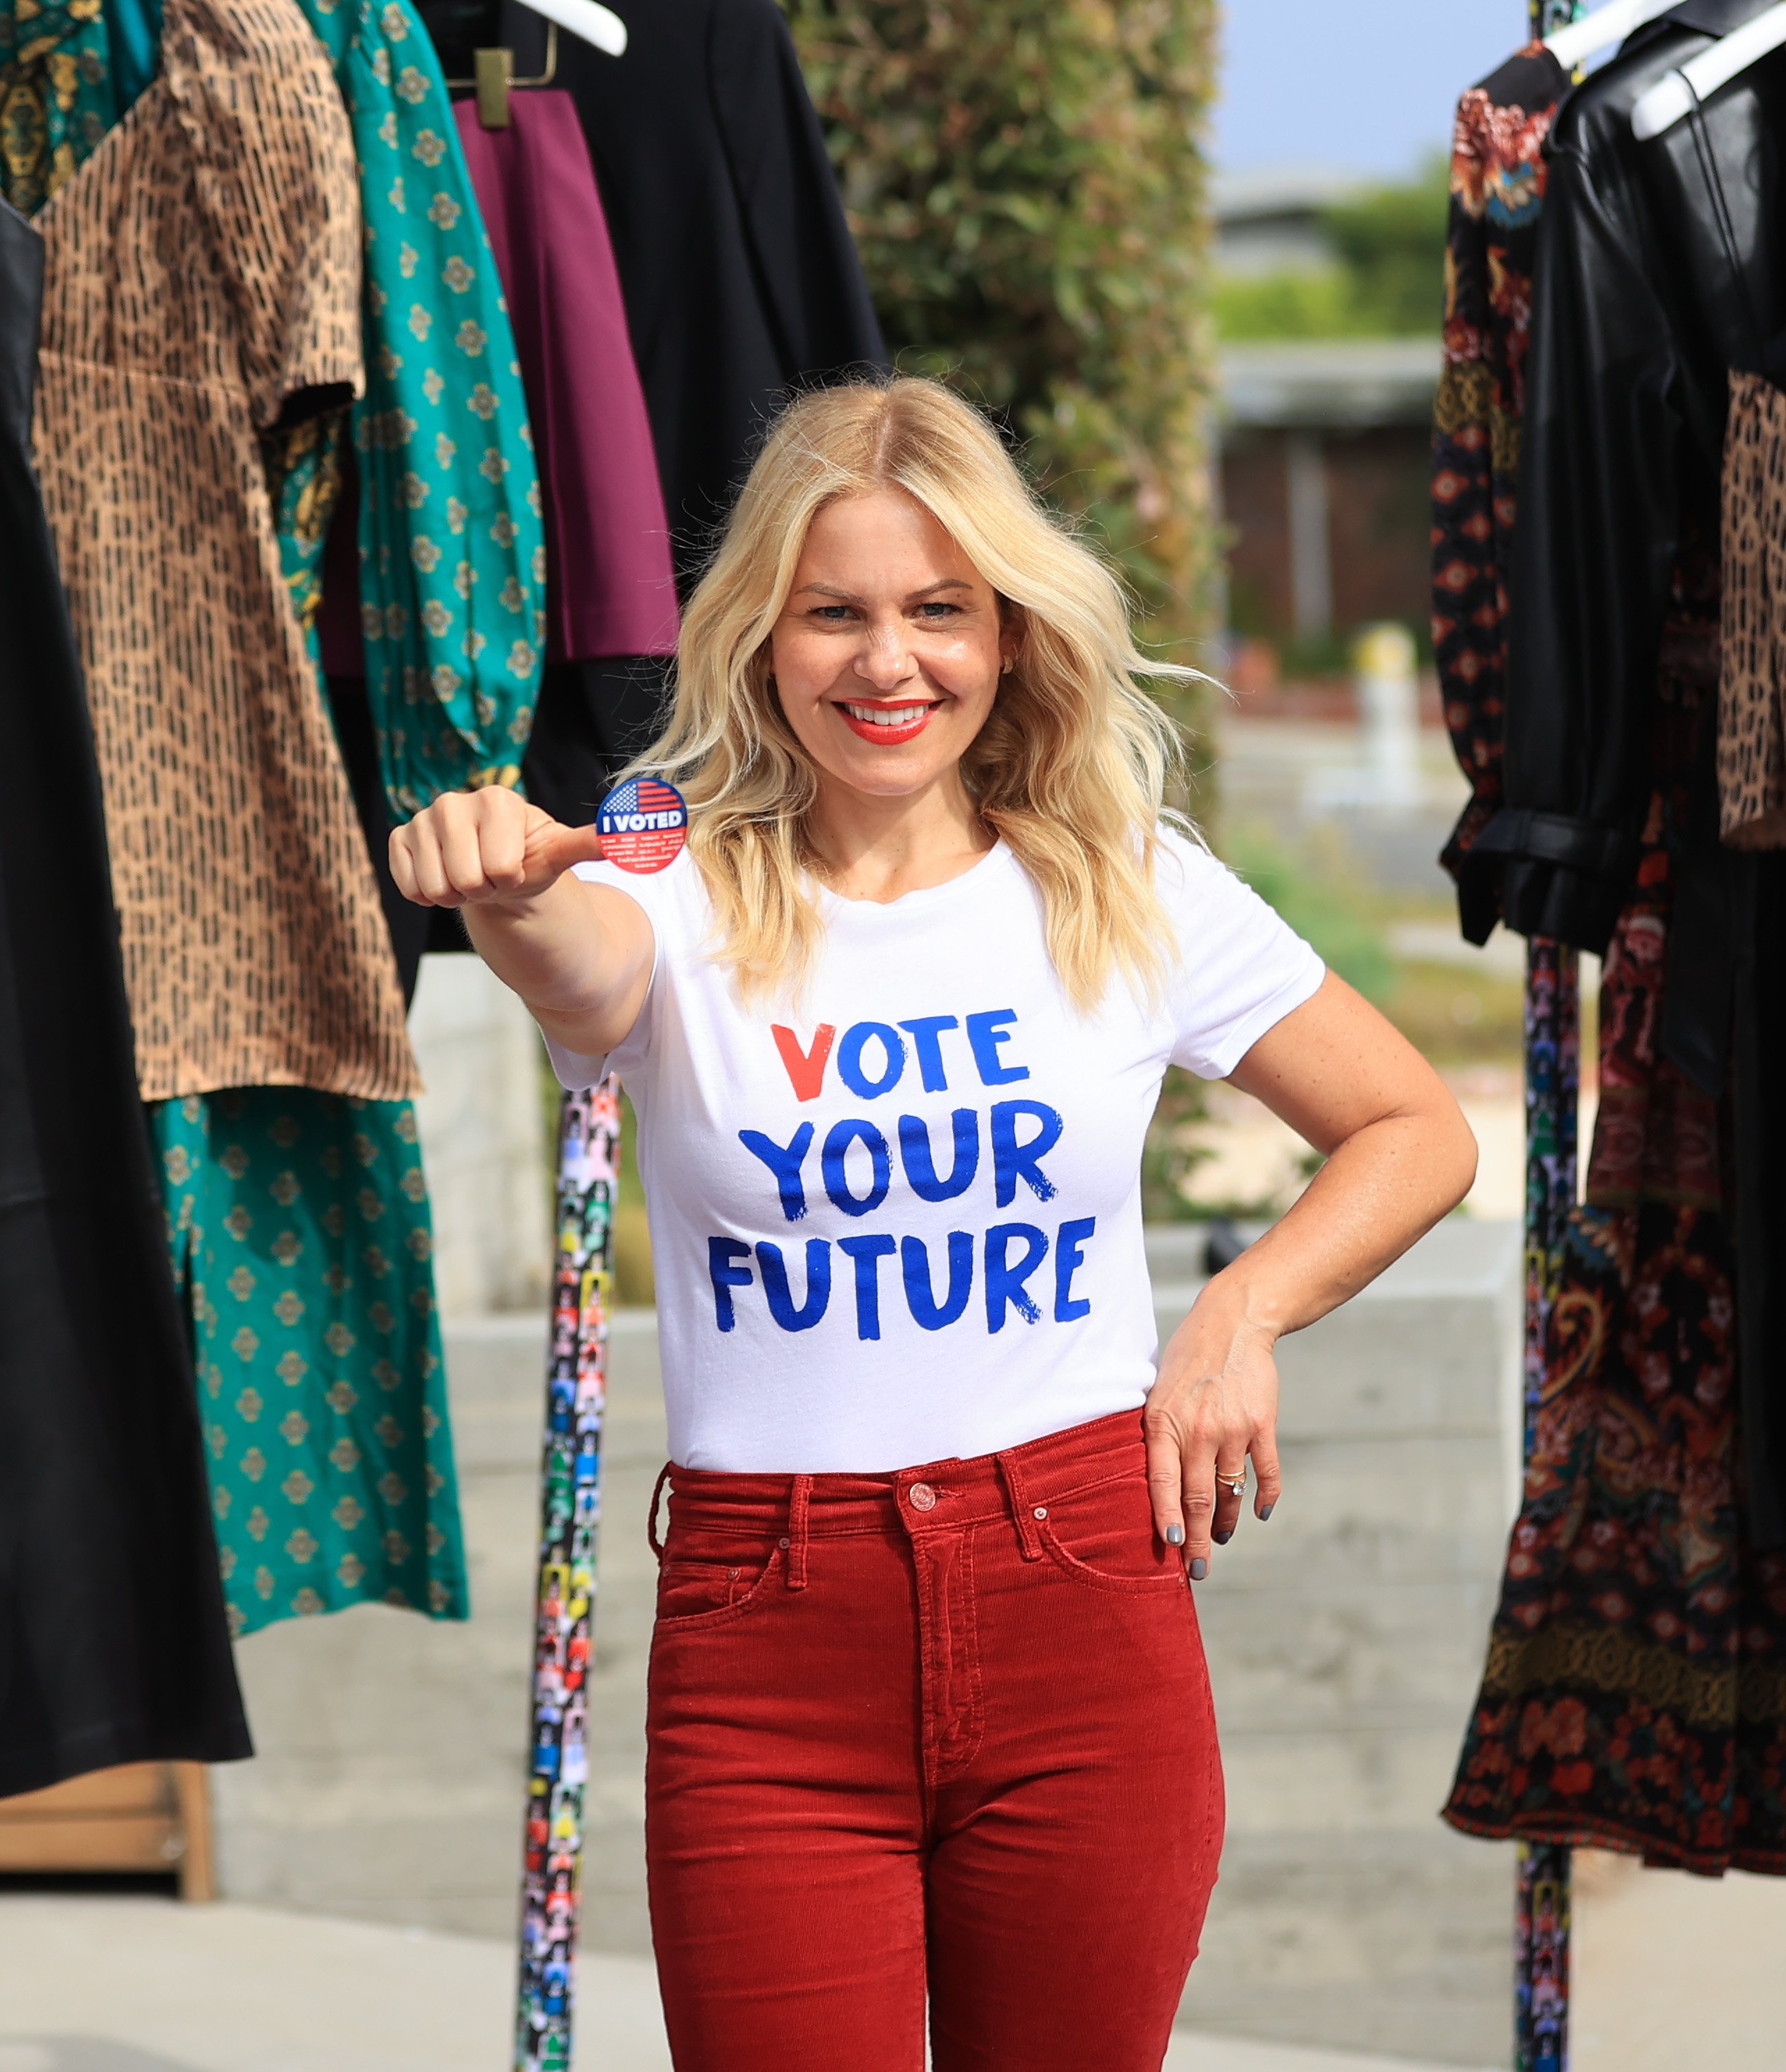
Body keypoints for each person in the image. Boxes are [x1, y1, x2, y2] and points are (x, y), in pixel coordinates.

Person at [387, 375, 1477, 2070]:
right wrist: (512, 894)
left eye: (936, 610)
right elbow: (581, 974)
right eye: (834, 612)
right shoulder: (666, 891)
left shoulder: (1125, 880)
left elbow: (1410, 1126)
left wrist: (1237, 1315)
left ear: (1010, 633)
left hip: (1084, 1598)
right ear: (762, 636)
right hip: (771, 1636)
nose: (886, 662)